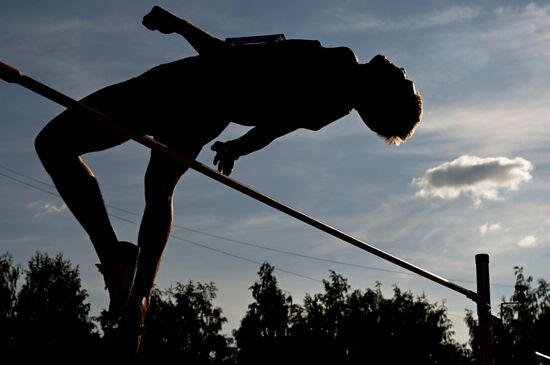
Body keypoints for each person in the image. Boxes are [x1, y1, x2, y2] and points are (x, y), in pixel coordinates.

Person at [34, 5, 422, 354]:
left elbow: (228, 59)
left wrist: (178, 24)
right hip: (206, 113)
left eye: (404, 81)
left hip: (182, 87)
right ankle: (140, 299)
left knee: (54, 144)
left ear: (381, 94)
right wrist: (239, 147)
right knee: (159, 191)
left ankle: (113, 253)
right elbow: (276, 123)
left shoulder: (337, 62)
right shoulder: (333, 106)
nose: (403, 70)